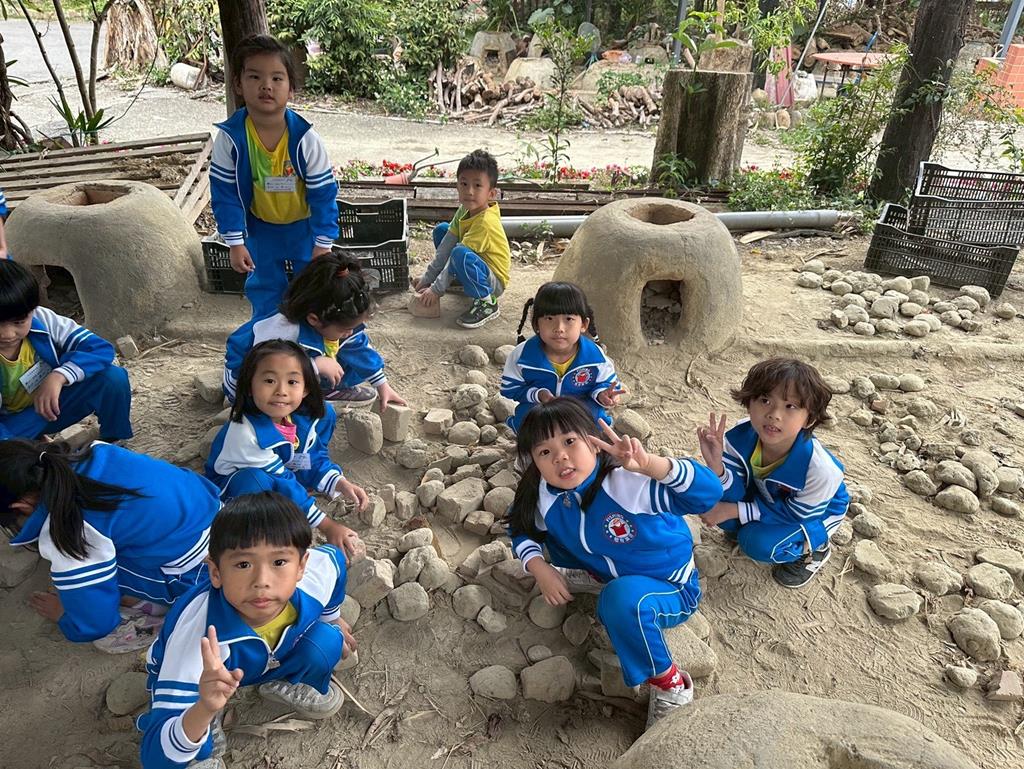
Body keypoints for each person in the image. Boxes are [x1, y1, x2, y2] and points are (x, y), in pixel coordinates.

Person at [504, 398, 722, 729]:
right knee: (561, 544)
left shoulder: (625, 483)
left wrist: (650, 465)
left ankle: (670, 684)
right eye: (544, 451)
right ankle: (598, 579)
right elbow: (519, 529)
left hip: (671, 585)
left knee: (618, 601)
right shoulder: (545, 494)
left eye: (570, 441)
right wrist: (538, 567)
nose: (560, 456)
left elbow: (708, 493)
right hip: (607, 570)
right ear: (533, 461)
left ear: (594, 441)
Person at [138, 492, 354, 769]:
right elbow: (154, 759)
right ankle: (209, 719)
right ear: (216, 573)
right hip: (207, 676)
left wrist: (332, 617)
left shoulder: (314, 578)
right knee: (195, 745)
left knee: (328, 641)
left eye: (279, 562)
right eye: (243, 564)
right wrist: (204, 708)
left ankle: (282, 681)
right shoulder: (198, 640)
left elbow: (335, 561)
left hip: (263, 659)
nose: (261, 581)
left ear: (302, 566)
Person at [2, 439, 221, 652]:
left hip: (202, 574)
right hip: (221, 521)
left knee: (102, 632)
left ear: (21, 506)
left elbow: (95, 624)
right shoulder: (97, 450)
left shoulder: (68, 526)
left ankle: (158, 616)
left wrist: (65, 615)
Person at [210, 34, 339, 318]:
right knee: (265, 289)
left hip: (304, 227)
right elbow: (225, 194)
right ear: (238, 85)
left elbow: (323, 195)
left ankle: (312, 338)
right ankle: (268, 335)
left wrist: (323, 243)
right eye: (255, 77)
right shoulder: (230, 139)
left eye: (277, 78)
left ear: (291, 89)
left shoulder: (306, 139)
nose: (266, 85)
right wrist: (235, 242)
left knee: (314, 290)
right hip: (260, 228)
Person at [697, 357, 849, 589]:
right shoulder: (740, 436)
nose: (774, 414)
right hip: (768, 495)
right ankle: (747, 523)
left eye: (791, 406)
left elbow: (796, 514)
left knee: (756, 542)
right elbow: (731, 487)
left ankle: (814, 549)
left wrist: (734, 510)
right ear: (749, 403)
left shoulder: (820, 470)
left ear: (809, 419)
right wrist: (717, 466)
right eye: (765, 400)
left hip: (814, 512)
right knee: (714, 502)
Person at [206, 339, 365, 554]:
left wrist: (338, 482)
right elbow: (282, 481)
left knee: (324, 413)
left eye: (292, 382)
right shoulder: (245, 433)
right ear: (250, 386)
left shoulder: (299, 416)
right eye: (269, 380)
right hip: (233, 485)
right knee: (256, 480)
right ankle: (250, 532)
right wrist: (328, 526)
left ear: (306, 388)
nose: (281, 391)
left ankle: (296, 497)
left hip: (278, 468)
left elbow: (313, 457)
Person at [223, 253, 405, 411]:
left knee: (352, 358)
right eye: (344, 329)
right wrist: (314, 365)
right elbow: (263, 369)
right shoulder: (282, 331)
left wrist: (382, 385)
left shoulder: (333, 315)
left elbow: (358, 347)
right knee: (311, 414)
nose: (349, 333)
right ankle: (272, 408)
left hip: (289, 369)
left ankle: (321, 389)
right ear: (313, 319)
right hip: (251, 383)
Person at [0, 259, 132, 442]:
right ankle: (31, 446)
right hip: (11, 426)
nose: (7, 334)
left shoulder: (43, 320)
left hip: (51, 407)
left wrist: (59, 376)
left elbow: (100, 348)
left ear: (32, 310)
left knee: (112, 378)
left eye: (18, 322)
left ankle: (112, 442)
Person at [500, 282, 624, 433]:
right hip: (541, 408)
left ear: (584, 324)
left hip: (579, 408)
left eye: (569, 319)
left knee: (597, 418)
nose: (559, 328)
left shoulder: (595, 356)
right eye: (549, 318)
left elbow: (607, 384)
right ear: (536, 324)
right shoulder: (522, 356)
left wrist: (602, 394)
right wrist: (538, 395)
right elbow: (510, 388)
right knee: (526, 421)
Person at [411, 149, 510, 328]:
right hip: (475, 262)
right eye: (464, 184)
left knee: (459, 254)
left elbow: (456, 254)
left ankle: (487, 303)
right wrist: (428, 278)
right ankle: (459, 279)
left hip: (493, 281)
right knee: (442, 231)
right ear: (457, 186)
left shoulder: (485, 222)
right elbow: (445, 247)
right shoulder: (465, 209)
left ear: (491, 193)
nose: (469, 191)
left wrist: (436, 290)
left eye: (477, 186)